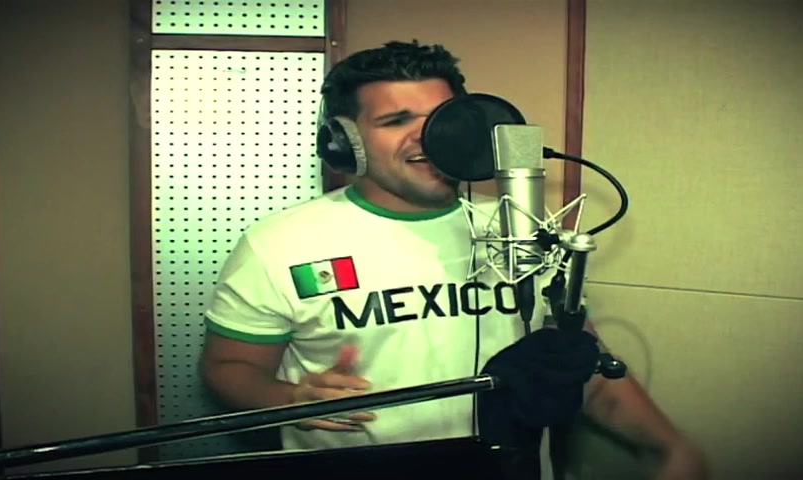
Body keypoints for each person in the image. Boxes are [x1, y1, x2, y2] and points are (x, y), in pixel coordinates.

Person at [200, 40, 708, 479]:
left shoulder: (524, 230)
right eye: (397, 120)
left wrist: (669, 445)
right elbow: (228, 367)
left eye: (442, 119)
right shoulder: (281, 243)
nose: (429, 137)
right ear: (345, 142)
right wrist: (288, 397)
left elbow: (576, 360)